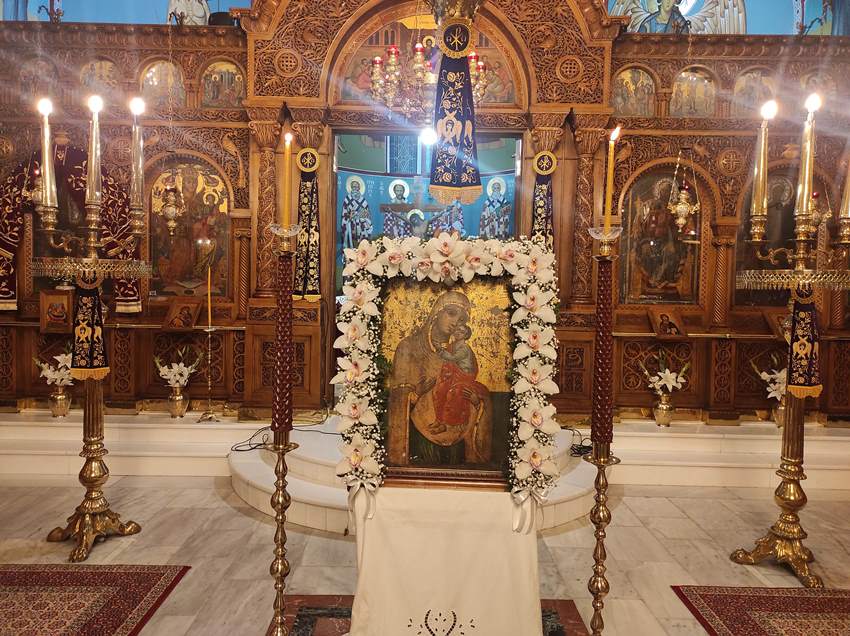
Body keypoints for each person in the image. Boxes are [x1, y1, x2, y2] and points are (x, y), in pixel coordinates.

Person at [387, 291, 492, 466]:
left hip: (458, 437)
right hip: (417, 439)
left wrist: (476, 401)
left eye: (461, 320)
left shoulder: (464, 353)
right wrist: (415, 394)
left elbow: (474, 389)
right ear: (437, 312)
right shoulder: (409, 347)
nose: (455, 322)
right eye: (451, 313)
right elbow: (397, 398)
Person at [431, 324, 489, 434]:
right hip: (453, 376)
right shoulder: (452, 346)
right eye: (457, 330)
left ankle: (446, 425)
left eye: (461, 331)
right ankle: (439, 420)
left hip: (464, 377)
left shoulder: (464, 348)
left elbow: (452, 358)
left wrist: (440, 349)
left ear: (466, 335)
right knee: (439, 391)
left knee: (452, 393)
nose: (458, 332)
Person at [340, 178, 372, 249]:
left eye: (357, 187)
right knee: (351, 244)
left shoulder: (363, 200)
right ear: (351, 188)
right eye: (353, 187)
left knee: (362, 245)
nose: (355, 188)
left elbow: (367, 215)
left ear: (359, 188)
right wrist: (349, 216)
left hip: (361, 225)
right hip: (350, 225)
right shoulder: (347, 199)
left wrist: (358, 215)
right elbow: (344, 213)